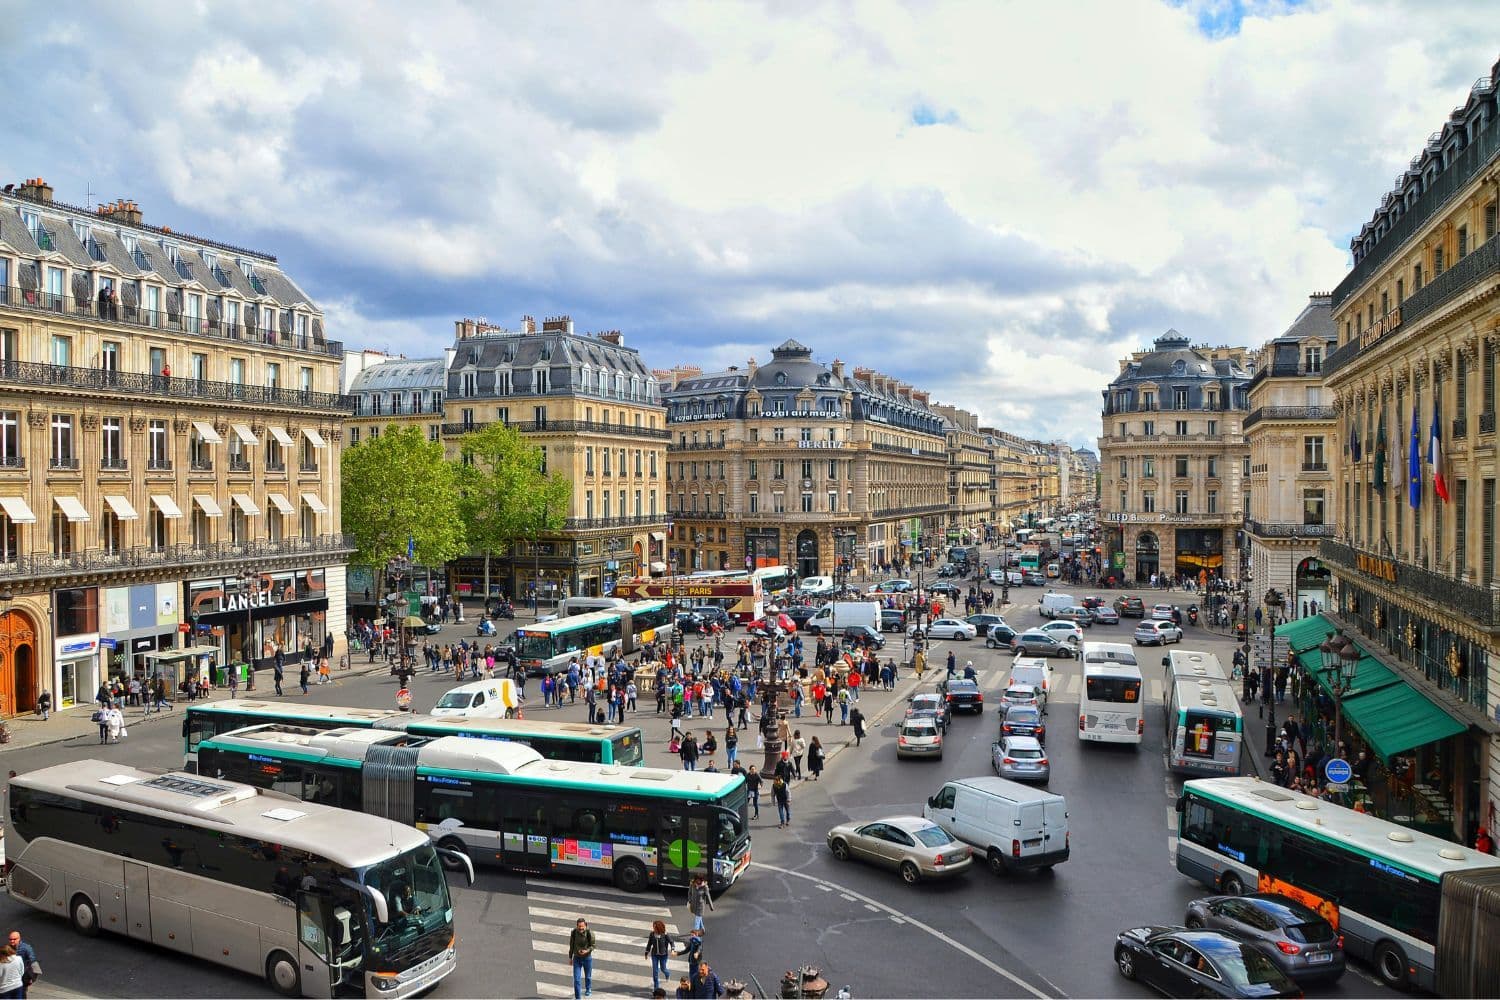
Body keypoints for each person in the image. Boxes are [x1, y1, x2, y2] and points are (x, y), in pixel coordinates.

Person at [644, 919, 675, 992]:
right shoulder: (652, 934)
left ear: (659, 928)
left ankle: (667, 974)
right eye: (653, 927)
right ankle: (656, 988)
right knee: (655, 972)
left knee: (663, 969)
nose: (653, 929)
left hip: (663, 955)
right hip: (654, 955)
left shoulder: (665, 934)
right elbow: (649, 944)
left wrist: (672, 950)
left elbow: (671, 942)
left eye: (655, 927)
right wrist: (646, 952)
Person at [569, 917, 595, 999]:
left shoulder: (590, 933)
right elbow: (571, 945)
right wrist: (570, 957)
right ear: (577, 926)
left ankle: (588, 989)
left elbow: (593, 946)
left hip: (587, 958)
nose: (581, 928)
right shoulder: (573, 932)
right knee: (576, 980)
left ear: (585, 926)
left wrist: (586, 951)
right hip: (577, 959)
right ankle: (578, 998)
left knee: (588, 977)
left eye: (582, 926)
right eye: (579, 926)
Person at [7, 932, 35, 999]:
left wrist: (31, 977)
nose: (12, 941)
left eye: (14, 939)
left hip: (22, 977)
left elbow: (33, 962)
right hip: (10, 977)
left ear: (19, 939)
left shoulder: (26, 948)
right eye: (10, 939)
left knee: (21, 995)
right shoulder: (7, 948)